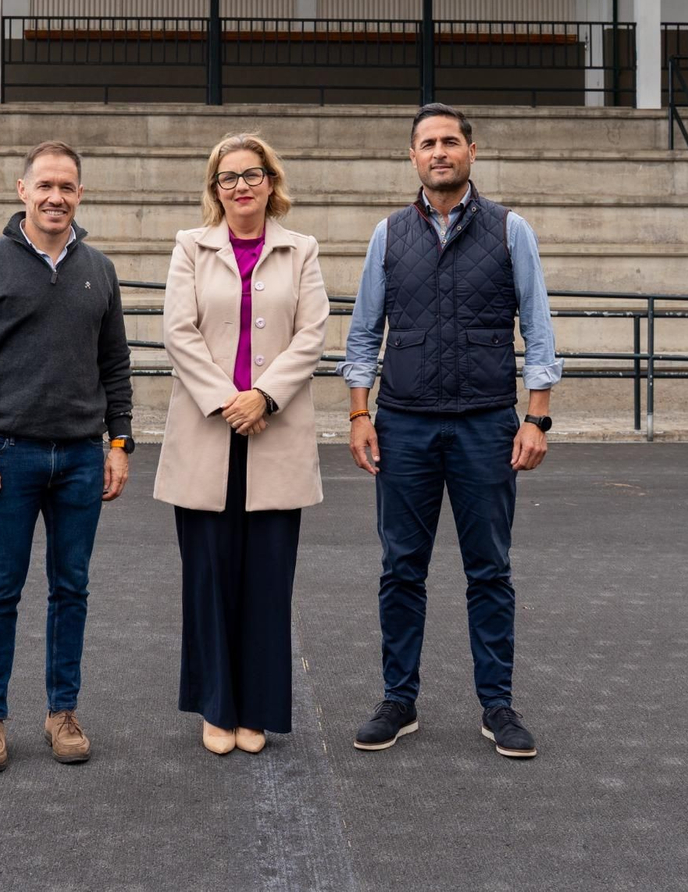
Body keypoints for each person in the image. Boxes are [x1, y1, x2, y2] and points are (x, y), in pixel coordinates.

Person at [340, 103, 560, 760]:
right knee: (400, 569)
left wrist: (536, 416)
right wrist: (358, 413)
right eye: (427, 143)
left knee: (489, 570)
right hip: (403, 424)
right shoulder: (387, 234)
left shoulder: (510, 230)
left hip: (486, 424)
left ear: (471, 150)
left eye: (450, 141)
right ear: (413, 156)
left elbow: (539, 328)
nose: (439, 151)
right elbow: (363, 332)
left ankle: (498, 705)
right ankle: (397, 700)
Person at [0, 140, 135, 773]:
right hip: (6, 458)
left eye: (67, 187)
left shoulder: (99, 269)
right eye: (45, 185)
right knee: (0, 590)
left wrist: (119, 443)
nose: (56, 197)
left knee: (71, 588)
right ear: (22, 190)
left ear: (80, 194)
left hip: (80, 457)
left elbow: (115, 366)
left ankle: (62, 713)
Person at [157, 133, 330, 756]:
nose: (241, 186)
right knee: (208, 578)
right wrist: (227, 400)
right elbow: (178, 332)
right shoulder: (190, 246)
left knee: (267, 582)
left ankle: (256, 709)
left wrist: (264, 397)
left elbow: (312, 334)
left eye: (251, 174)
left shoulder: (301, 250)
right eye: (228, 178)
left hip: (273, 433)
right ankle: (216, 707)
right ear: (216, 189)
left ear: (270, 180)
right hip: (206, 433)